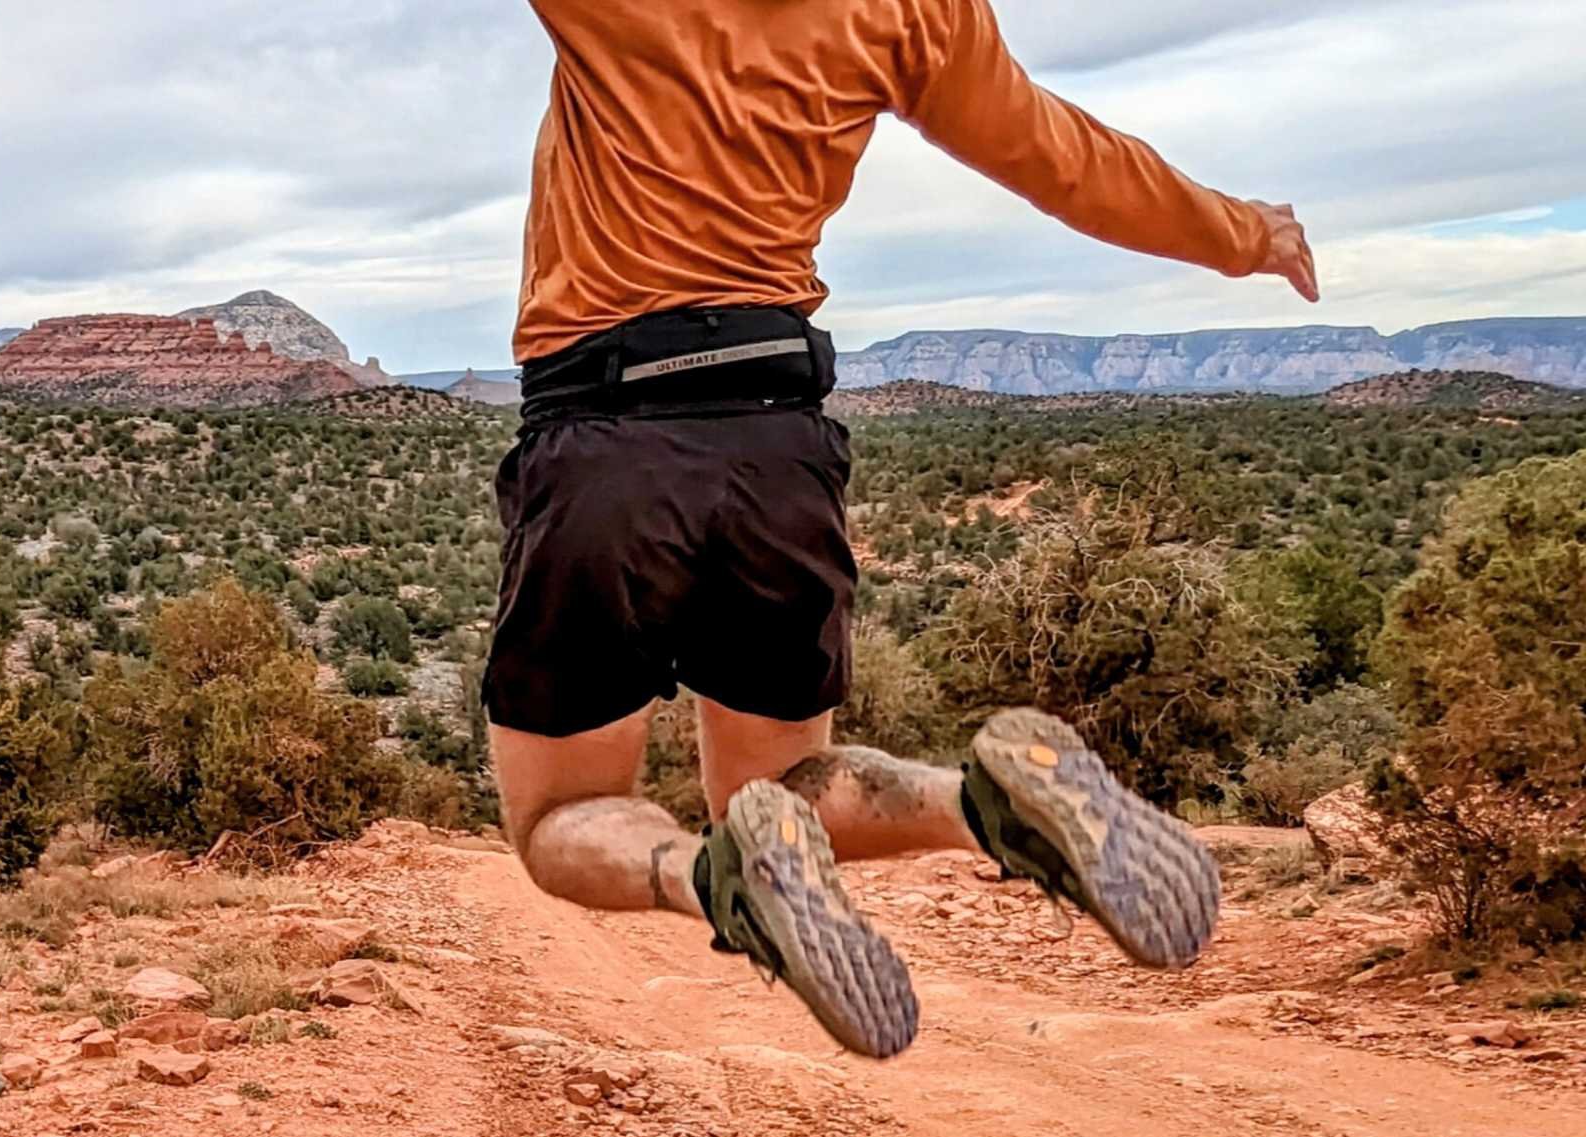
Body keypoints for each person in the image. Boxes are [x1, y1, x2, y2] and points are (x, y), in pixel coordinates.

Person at [492, 0, 1321, 1058]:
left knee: (558, 815)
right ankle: (979, 802)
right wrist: (1245, 231)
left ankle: (711, 878)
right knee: (776, 784)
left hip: (607, 437)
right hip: (778, 444)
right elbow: (1066, 158)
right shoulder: (907, 8)